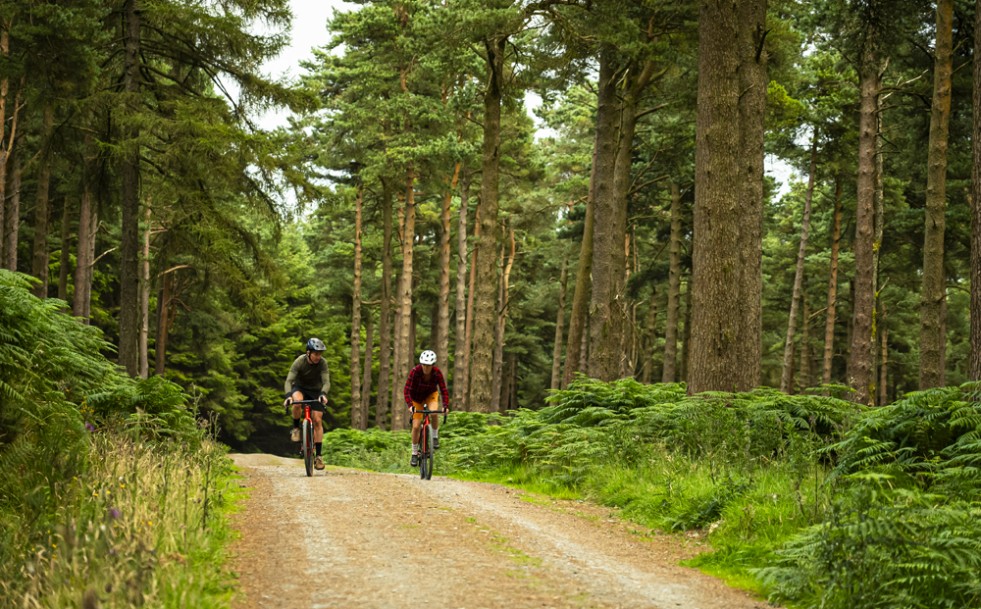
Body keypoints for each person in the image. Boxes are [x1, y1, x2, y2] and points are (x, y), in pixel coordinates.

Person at [284, 337, 331, 470]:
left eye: (320, 354)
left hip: (316, 391)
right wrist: (288, 396)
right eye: (316, 354)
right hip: (300, 388)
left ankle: (319, 456)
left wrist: (323, 394)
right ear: (308, 353)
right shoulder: (299, 361)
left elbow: (326, 381)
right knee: (297, 402)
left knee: (317, 420)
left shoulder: (323, 363)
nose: (318, 357)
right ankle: (296, 428)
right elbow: (288, 381)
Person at [404, 349, 450, 467]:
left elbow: (443, 390)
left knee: (434, 413)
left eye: (428, 365)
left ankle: (434, 436)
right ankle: (414, 453)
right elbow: (406, 390)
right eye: (424, 365)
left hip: (430, 395)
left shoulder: (437, 373)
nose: (425, 368)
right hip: (416, 398)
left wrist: (445, 406)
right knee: (415, 426)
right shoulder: (415, 372)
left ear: (432, 365)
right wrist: (410, 406)